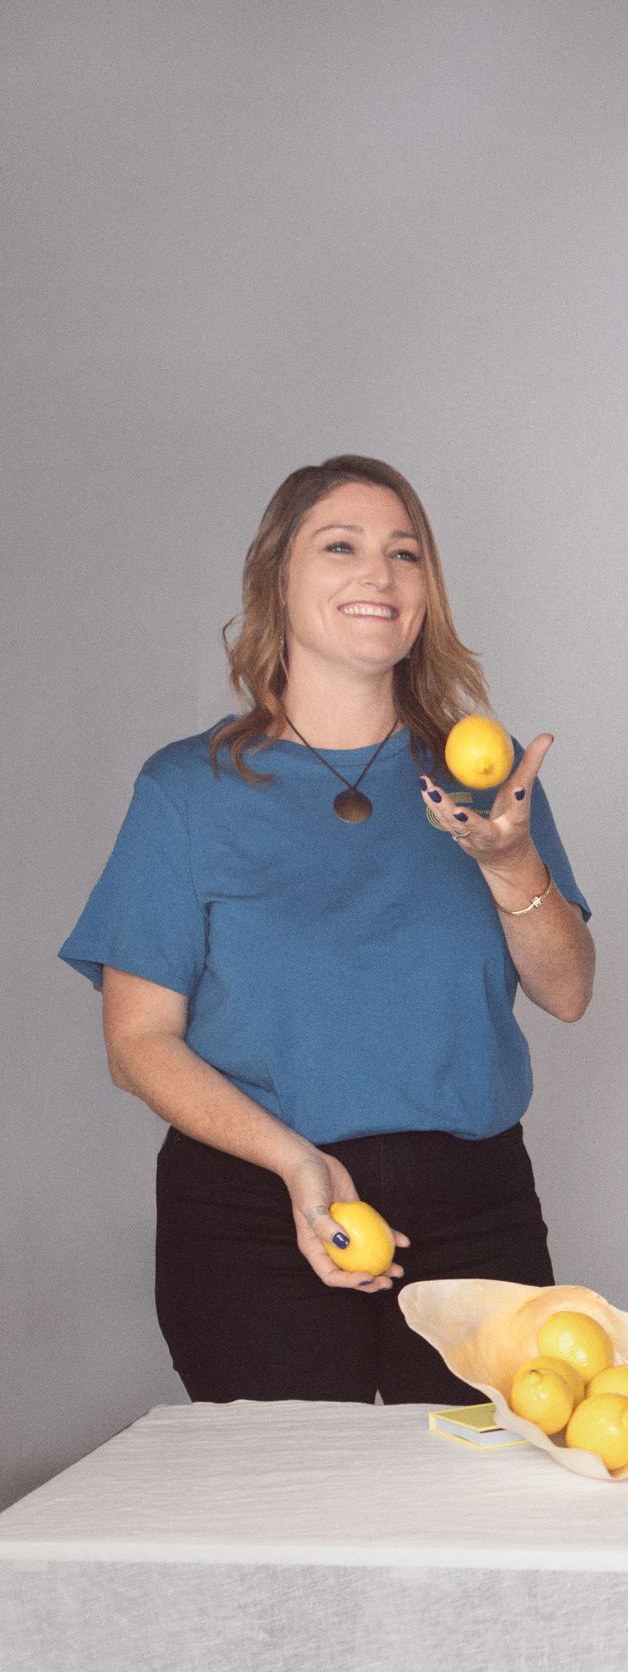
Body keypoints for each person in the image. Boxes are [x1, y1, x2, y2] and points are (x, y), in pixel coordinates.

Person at [61, 456, 593, 1403]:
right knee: (290, 1526)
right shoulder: (187, 791)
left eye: (405, 553)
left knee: (476, 1522)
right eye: (340, 546)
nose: (378, 576)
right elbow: (137, 1043)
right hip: (253, 1207)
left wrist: (511, 863)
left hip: (475, 1206)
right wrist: (297, 1162)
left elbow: (567, 991)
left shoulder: (488, 780)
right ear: (278, 579)